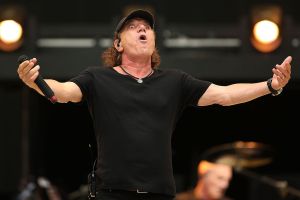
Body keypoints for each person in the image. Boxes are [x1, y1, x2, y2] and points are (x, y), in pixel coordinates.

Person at [17, 9, 292, 200]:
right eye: (134, 28)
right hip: (111, 193)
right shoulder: (97, 78)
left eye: (147, 28)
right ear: (118, 43)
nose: (143, 31)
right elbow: (63, 92)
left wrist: (271, 86)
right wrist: (35, 82)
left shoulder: (175, 81)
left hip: (159, 193)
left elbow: (226, 95)